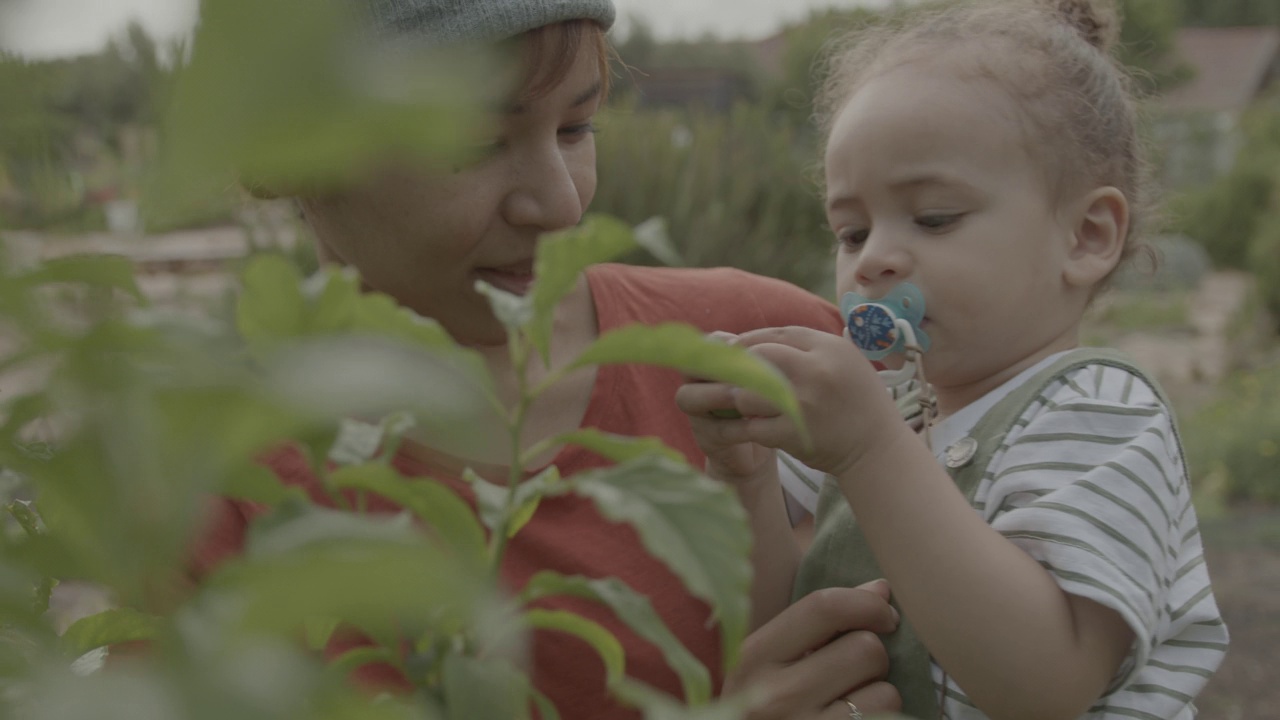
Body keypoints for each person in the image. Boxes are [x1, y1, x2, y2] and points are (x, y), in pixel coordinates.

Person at [189, 1, 902, 719]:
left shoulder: (773, 351)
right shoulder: (209, 495)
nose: (561, 204)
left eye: (575, 127)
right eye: (475, 144)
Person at [676, 0, 1228, 718]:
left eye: (934, 218)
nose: (874, 259)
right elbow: (778, 627)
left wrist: (872, 449)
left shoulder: (1098, 417)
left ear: (1087, 237)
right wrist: (743, 479)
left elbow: (1048, 684)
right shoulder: (871, 417)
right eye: (850, 232)